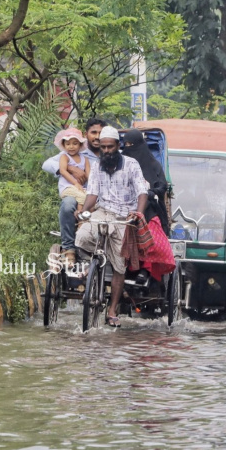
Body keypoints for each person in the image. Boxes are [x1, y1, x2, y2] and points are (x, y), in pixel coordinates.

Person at [75, 126, 148, 327]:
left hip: (124, 216)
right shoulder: (97, 166)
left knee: (119, 265)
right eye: (103, 147)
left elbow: (142, 192)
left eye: (110, 147)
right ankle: (90, 270)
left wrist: (138, 213)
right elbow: (92, 194)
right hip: (102, 212)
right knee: (81, 237)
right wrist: (84, 211)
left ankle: (113, 308)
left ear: (118, 146)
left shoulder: (132, 165)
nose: (106, 151)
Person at [43, 119, 106, 261]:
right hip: (73, 190)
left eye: (101, 133)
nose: (97, 136)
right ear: (86, 135)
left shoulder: (111, 152)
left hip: (98, 195)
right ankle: (69, 247)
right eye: (93, 132)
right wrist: (70, 168)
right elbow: (46, 164)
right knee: (67, 206)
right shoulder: (71, 152)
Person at [121, 129, 175, 285]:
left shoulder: (153, 165)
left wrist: (149, 193)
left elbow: (162, 186)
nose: (129, 148)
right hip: (123, 205)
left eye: (133, 145)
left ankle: (146, 268)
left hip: (149, 207)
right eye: (126, 145)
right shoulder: (121, 164)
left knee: (152, 236)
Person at [53, 128, 91, 262]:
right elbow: (63, 171)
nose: (71, 146)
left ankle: (88, 239)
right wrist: (76, 183)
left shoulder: (84, 158)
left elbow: (89, 175)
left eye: (75, 143)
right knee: (74, 202)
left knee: (91, 199)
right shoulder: (64, 157)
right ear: (63, 145)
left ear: (80, 145)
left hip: (81, 188)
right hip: (68, 187)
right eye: (68, 144)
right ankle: (80, 219)